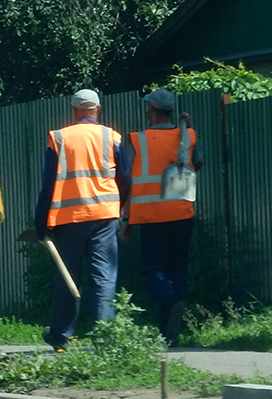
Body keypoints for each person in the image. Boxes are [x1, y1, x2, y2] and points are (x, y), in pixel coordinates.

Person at [34, 88, 130, 351]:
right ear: (98, 110)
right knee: (104, 276)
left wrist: (41, 225)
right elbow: (125, 177)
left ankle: (61, 336)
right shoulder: (112, 137)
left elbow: (48, 184)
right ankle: (106, 338)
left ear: (74, 111)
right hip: (104, 217)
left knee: (67, 278)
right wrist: (120, 209)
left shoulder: (59, 138)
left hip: (69, 219)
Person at [120, 88, 203, 345]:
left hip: (150, 215)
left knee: (151, 270)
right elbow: (197, 163)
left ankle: (169, 304)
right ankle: (170, 330)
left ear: (151, 110)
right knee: (176, 267)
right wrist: (187, 131)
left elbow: (126, 179)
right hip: (181, 212)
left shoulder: (137, 140)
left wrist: (124, 218)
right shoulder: (187, 135)